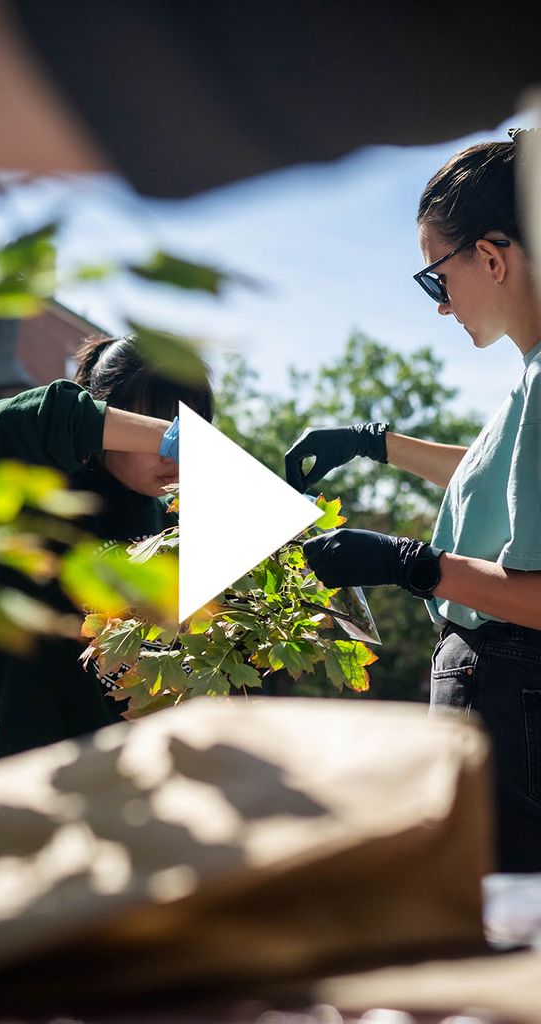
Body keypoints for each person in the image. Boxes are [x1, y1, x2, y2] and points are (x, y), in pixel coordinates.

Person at [284, 129, 541, 873]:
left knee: (505, 920)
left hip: (515, 692)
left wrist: (411, 565)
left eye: (437, 278)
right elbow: (498, 480)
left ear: (490, 258)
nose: (440, 305)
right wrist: (372, 444)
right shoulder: (530, 376)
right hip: (507, 693)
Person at [0, 334, 214, 766]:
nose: (176, 450)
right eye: (159, 422)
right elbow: (10, 419)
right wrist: (167, 438)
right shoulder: (47, 494)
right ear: (107, 414)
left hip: (133, 787)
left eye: (196, 426)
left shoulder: (177, 528)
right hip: (29, 776)